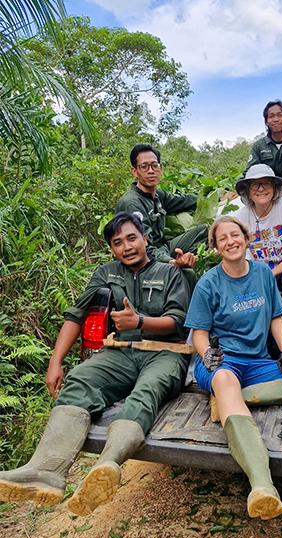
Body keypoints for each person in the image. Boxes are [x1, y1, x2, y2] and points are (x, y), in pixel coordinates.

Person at [0, 213, 190, 516]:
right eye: (118, 243)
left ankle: (107, 465)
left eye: (131, 238)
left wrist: (139, 320)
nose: (126, 247)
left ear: (145, 239)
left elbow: (177, 322)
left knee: (147, 390)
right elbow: (76, 314)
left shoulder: (171, 274)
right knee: (79, 380)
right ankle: (45, 471)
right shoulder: (106, 273)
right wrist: (55, 361)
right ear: (112, 250)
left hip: (165, 352)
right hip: (120, 351)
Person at [185, 216, 282, 520]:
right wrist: (208, 356)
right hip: (223, 361)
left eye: (235, 235)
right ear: (215, 247)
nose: (230, 241)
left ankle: (242, 396)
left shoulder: (262, 274)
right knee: (227, 380)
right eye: (222, 238)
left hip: (258, 362)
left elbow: (276, 317)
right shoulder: (209, 283)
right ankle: (262, 485)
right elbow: (199, 334)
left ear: (245, 238)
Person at [232, 164, 282, 364]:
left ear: (274, 187)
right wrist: (260, 274)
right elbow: (240, 254)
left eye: (265, 183)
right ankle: (257, 345)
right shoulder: (241, 217)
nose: (260, 189)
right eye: (255, 185)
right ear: (247, 191)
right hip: (257, 267)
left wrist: (270, 273)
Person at [115, 144, 208, 270]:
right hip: (144, 260)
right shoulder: (132, 203)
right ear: (134, 171)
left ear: (161, 168)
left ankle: (191, 262)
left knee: (204, 231)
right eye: (144, 166)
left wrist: (216, 197)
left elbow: (183, 201)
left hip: (162, 248)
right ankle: (180, 270)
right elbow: (141, 248)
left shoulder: (157, 195)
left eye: (154, 165)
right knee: (186, 273)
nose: (151, 170)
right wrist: (172, 262)